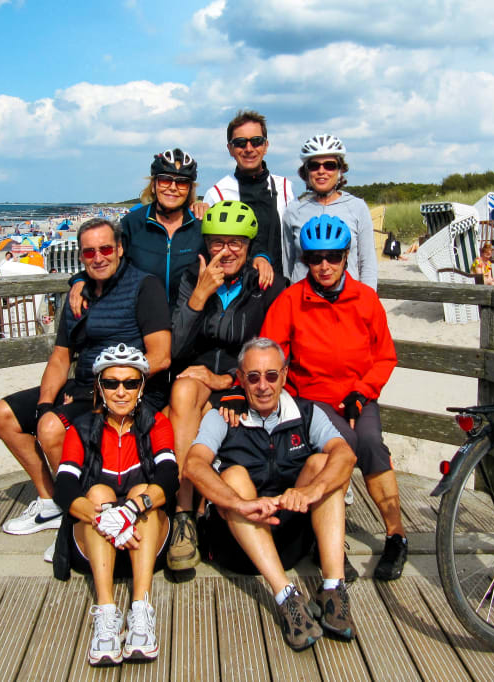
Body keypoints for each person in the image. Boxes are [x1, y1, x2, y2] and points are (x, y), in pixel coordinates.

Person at [0, 219, 172, 553]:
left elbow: (160, 356)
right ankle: (51, 502)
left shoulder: (144, 286)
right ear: (81, 255)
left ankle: (80, 513)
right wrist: (46, 404)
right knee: (4, 415)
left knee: (49, 430)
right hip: (82, 384)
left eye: (106, 248)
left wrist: (112, 386)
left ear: (119, 249)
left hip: (125, 389)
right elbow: (61, 357)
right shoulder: (80, 294)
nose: (98, 257)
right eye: (89, 251)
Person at [260, 215, 410, 581]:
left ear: (346, 256)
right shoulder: (290, 300)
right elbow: (271, 354)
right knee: (342, 444)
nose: (324, 266)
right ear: (304, 260)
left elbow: (385, 356)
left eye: (332, 257)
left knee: (373, 444)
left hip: (358, 394)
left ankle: (396, 535)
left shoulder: (366, 299)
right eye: (314, 258)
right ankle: (330, 541)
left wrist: (363, 392)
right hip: (311, 399)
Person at [184, 337, 358, 650]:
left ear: (285, 375)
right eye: (253, 377)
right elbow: (194, 466)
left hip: (289, 537)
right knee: (234, 474)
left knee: (325, 464)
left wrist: (309, 491)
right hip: (237, 544)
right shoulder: (223, 415)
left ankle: (333, 588)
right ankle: (286, 596)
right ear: (240, 380)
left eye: (271, 375)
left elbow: (345, 455)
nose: (263, 385)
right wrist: (240, 503)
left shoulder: (306, 413)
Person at [165, 201, 286, 572]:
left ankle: (194, 511)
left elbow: (271, 351)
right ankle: (185, 514)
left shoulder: (266, 282)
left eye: (236, 243)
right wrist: (199, 297)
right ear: (206, 245)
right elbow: (174, 350)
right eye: (217, 243)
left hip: (242, 380)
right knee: (185, 391)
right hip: (197, 375)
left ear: (251, 247)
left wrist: (228, 379)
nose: (226, 251)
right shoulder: (191, 277)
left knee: (193, 402)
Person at [50, 344, 178, 666]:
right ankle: (106, 614)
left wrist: (133, 510)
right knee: (97, 493)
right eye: (111, 383)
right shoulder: (81, 428)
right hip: (95, 544)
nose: (121, 391)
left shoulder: (157, 424)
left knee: (143, 490)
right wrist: (105, 516)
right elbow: (64, 487)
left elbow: (169, 477)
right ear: (99, 387)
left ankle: (140, 609)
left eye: (130, 383)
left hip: (145, 544)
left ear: (141, 387)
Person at [66, 149, 203, 319]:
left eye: (182, 182)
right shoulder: (132, 223)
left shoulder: (199, 227)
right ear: (154, 185)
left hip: (188, 326)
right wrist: (80, 280)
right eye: (165, 180)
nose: (173, 188)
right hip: (141, 326)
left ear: (189, 189)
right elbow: (107, 259)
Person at [206, 110, 295, 290]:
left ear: (266, 145)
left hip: (281, 288)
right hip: (237, 295)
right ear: (230, 149)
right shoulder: (217, 193)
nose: (249, 149)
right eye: (240, 143)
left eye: (256, 141)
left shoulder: (285, 188)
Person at [282, 135, 378, 289]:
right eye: (314, 165)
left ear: (340, 170)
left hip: (346, 303)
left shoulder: (357, 207)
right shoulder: (293, 211)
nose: (322, 171)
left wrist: (368, 302)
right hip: (303, 303)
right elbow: (288, 264)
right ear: (306, 171)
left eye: (329, 165)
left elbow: (367, 264)